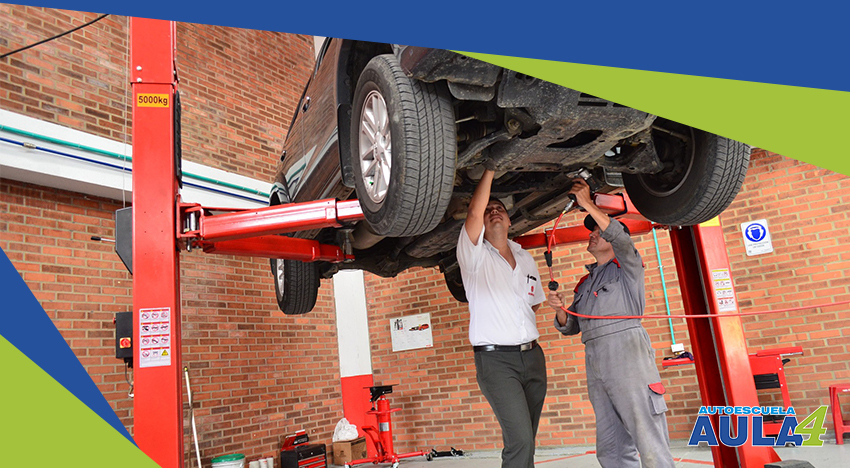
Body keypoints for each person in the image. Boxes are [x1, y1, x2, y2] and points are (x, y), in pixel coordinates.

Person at [548, 179, 675, 468]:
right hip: (596, 359)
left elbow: (622, 239)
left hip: (627, 353)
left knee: (648, 439)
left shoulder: (627, 266)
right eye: (591, 231)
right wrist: (560, 310)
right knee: (611, 447)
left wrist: (589, 205)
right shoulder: (586, 282)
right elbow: (572, 327)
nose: (591, 236)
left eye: (596, 231)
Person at [456, 165, 547, 468]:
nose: (494, 212)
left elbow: (533, 303)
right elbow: (472, 214)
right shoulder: (473, 257)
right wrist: (491, 168)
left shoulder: (524, 257)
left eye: (500, 209)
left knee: (527, 441)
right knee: (520, 439)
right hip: (497, 362)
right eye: (489, 210)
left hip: (533, 357)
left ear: (509, 220)